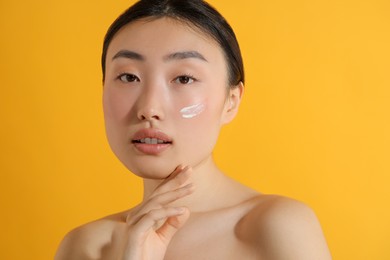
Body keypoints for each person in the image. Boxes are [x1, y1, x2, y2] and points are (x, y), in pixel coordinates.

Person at [55, 0, 332, 259]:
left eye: (184, 78)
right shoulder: (86, 247)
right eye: (129, 76)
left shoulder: (278, 227)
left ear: (231, 101)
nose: (149, 108)